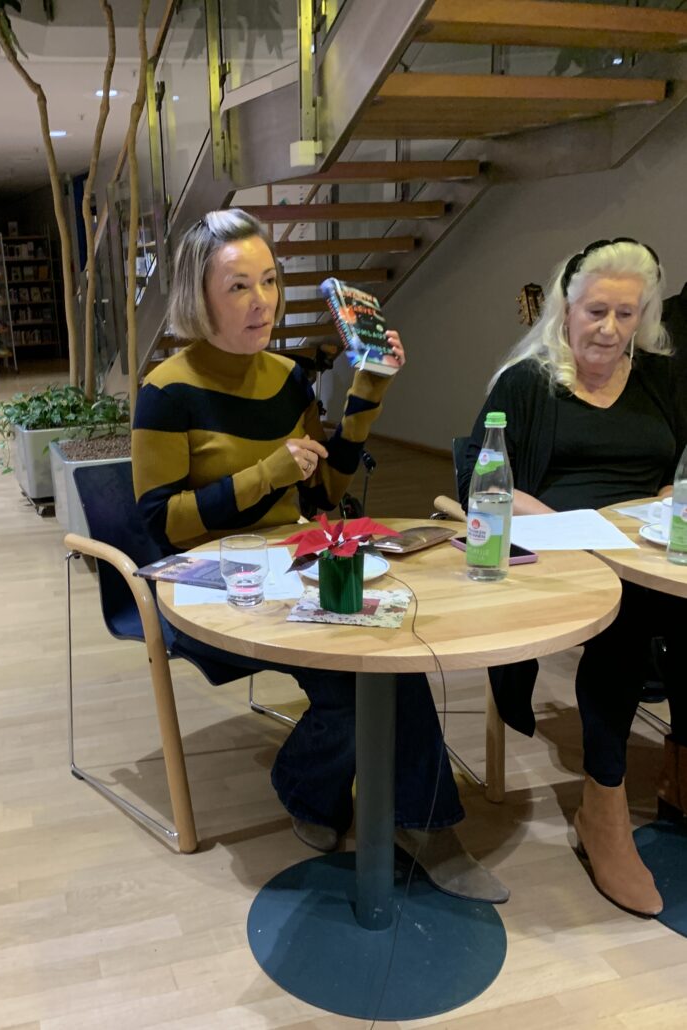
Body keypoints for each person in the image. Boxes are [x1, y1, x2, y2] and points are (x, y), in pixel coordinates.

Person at [132, 208, 508, 902]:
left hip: (291, 567)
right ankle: (312, 788)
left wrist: (368, 391)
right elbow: (162, 526)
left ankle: (418, 824)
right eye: (238, 286)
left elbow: (324, 489)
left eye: (269, 281)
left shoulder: (286, 379)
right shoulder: (165, 391)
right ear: (198, 297)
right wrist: (264, 475)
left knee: (390, 653)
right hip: (208, 586)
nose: (262, 301)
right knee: (353, 686)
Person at [459, 238, 686, 917]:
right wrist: (577, 527)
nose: (610, 330)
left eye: (626, 314)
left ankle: (681, 769)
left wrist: (662, 509)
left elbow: (678, 470)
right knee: (626, 621)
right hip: (561, 550)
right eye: (596, 312)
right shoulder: (527, 383)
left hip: (646, 546)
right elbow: (487, 484)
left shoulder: (659, 377)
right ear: (566, 307)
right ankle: (602, 807)